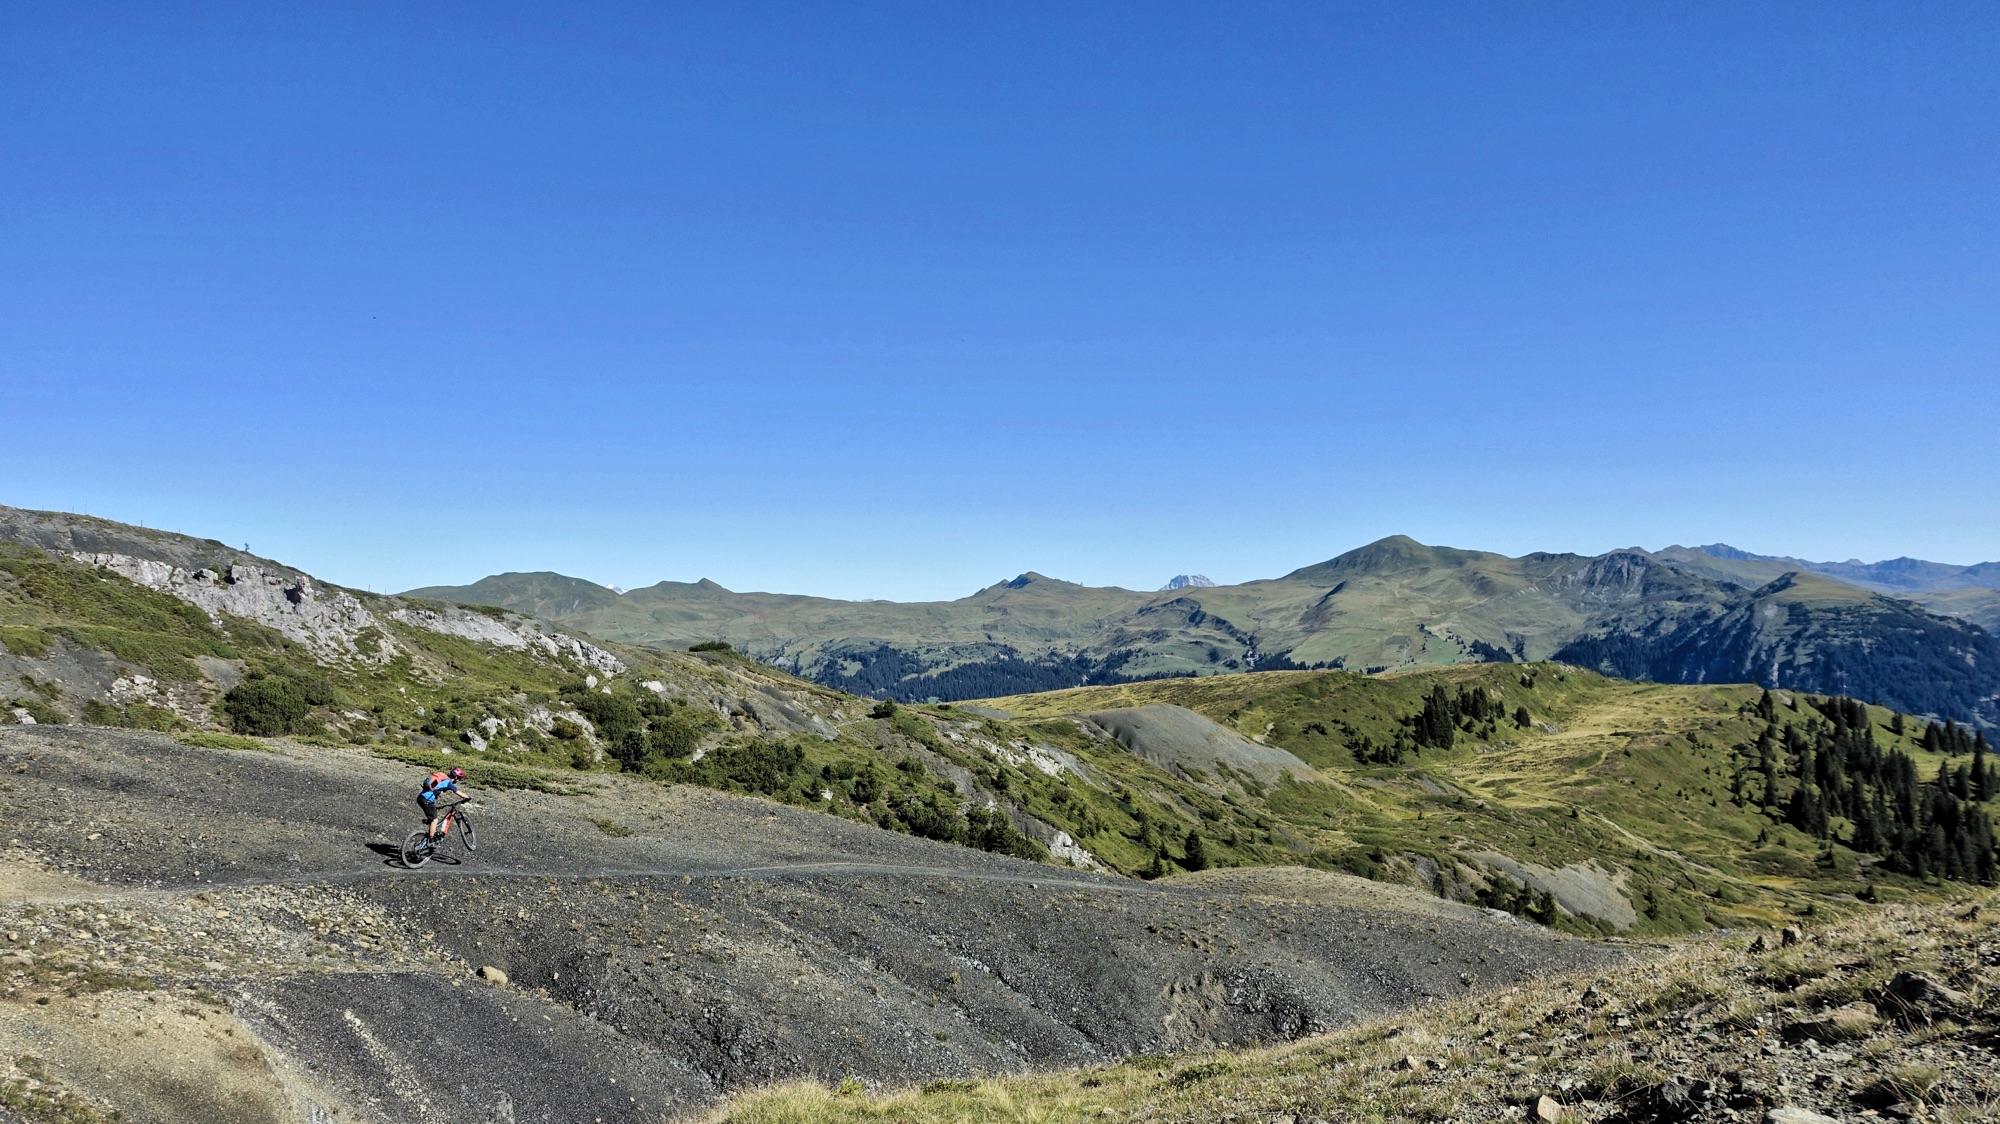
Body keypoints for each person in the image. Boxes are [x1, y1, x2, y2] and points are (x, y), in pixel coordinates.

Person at [419, 766, 468, 841]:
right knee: (434, 820)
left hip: (421, 797)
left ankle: (431, 828)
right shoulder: (448, 782)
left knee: (432, 816)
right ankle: (431, 839)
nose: (457, 780)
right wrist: (467, 797)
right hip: (427, 800)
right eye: (458, 778)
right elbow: (458, 792)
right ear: (455, 777)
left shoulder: (443, 776)